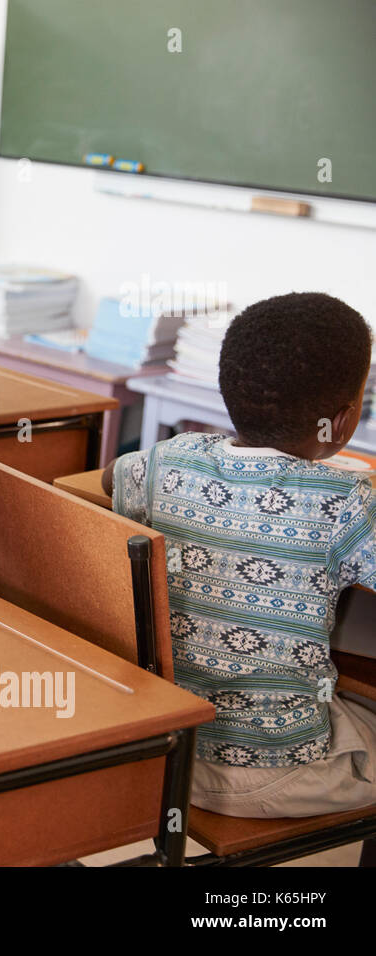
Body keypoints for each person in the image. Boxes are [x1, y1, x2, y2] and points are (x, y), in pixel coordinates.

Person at [107, 292, 376, 817]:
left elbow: (109, 478)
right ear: (344, 421)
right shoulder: (349, 503)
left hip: (164, 749)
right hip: (275, 773)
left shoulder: (164, 462)